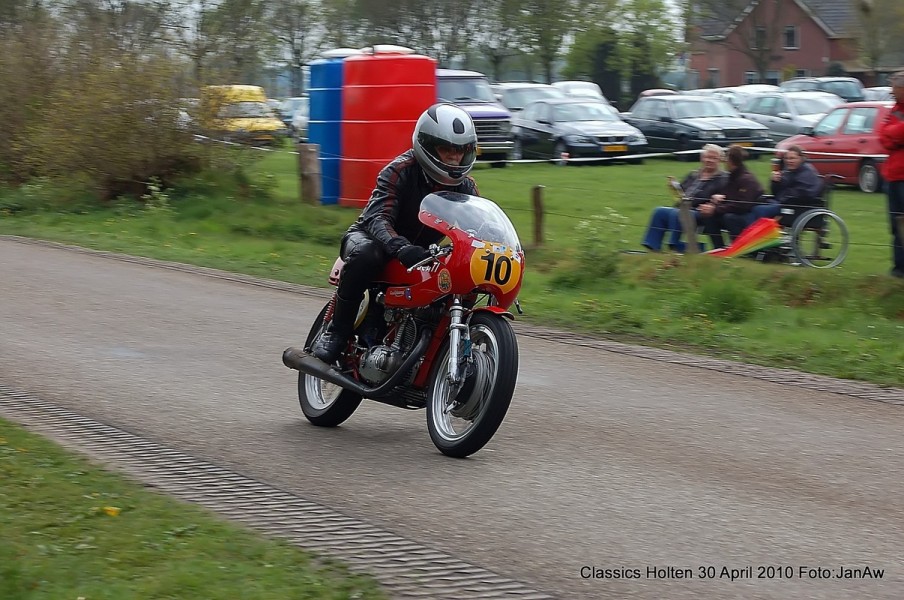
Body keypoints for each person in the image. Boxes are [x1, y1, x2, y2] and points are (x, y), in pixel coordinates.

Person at [312, 103, 480, 363]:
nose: (454, 158)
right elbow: (378, 217)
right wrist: (400, 247)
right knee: (368, 255)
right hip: (370, 237)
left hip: (421, 253)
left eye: (460, 151)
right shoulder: (399, 170)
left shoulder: (466, 188)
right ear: (427, 145)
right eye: (446, 149)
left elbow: (476, 229)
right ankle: (336, 332)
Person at [640, 144, 728, 252]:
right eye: (707, 157)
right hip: (683, 206)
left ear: (720, 160)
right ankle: (652, 245)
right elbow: (682, 190)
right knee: (659, 211)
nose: (709, 160)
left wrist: (712, 204)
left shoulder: (723, 178)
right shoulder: (694, 174)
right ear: (702, 158)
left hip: (700, 211)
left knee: (678, 213)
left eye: (713, 158)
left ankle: (674, 246)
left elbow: (725, 197)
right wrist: (675, 187)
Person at [726, 145, 822, 233]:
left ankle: (751, 234)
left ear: (801, 158)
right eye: (787, 158)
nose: (789, 161)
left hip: (796, 206)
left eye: (793, 158)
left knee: (760, 210)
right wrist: (775, 182)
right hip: (783, 202)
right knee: (757, 204)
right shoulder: (789, 171)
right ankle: (746, 230)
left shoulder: (806, 173)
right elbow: (776, 192)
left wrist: (783, 197)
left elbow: (804, 193)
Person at [697, 144, 765, 249]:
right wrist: (715, 200)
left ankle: (738, 247)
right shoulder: (732, 177)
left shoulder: (746, 179)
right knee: (709, 217)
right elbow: (728, 196)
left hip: (748, 214)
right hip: (735, 210)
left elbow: (742, 205)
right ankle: (718, 248)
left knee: (729, 217)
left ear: (730, 161)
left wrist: (715, 209)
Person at [879, 69, 904, 278]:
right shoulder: (894, 110)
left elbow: (891, 134)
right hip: (893, 177)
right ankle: (899, 268)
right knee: (896, 225)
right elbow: (883, 137)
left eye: (894, 88)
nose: (891, 92)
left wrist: (895, 134)